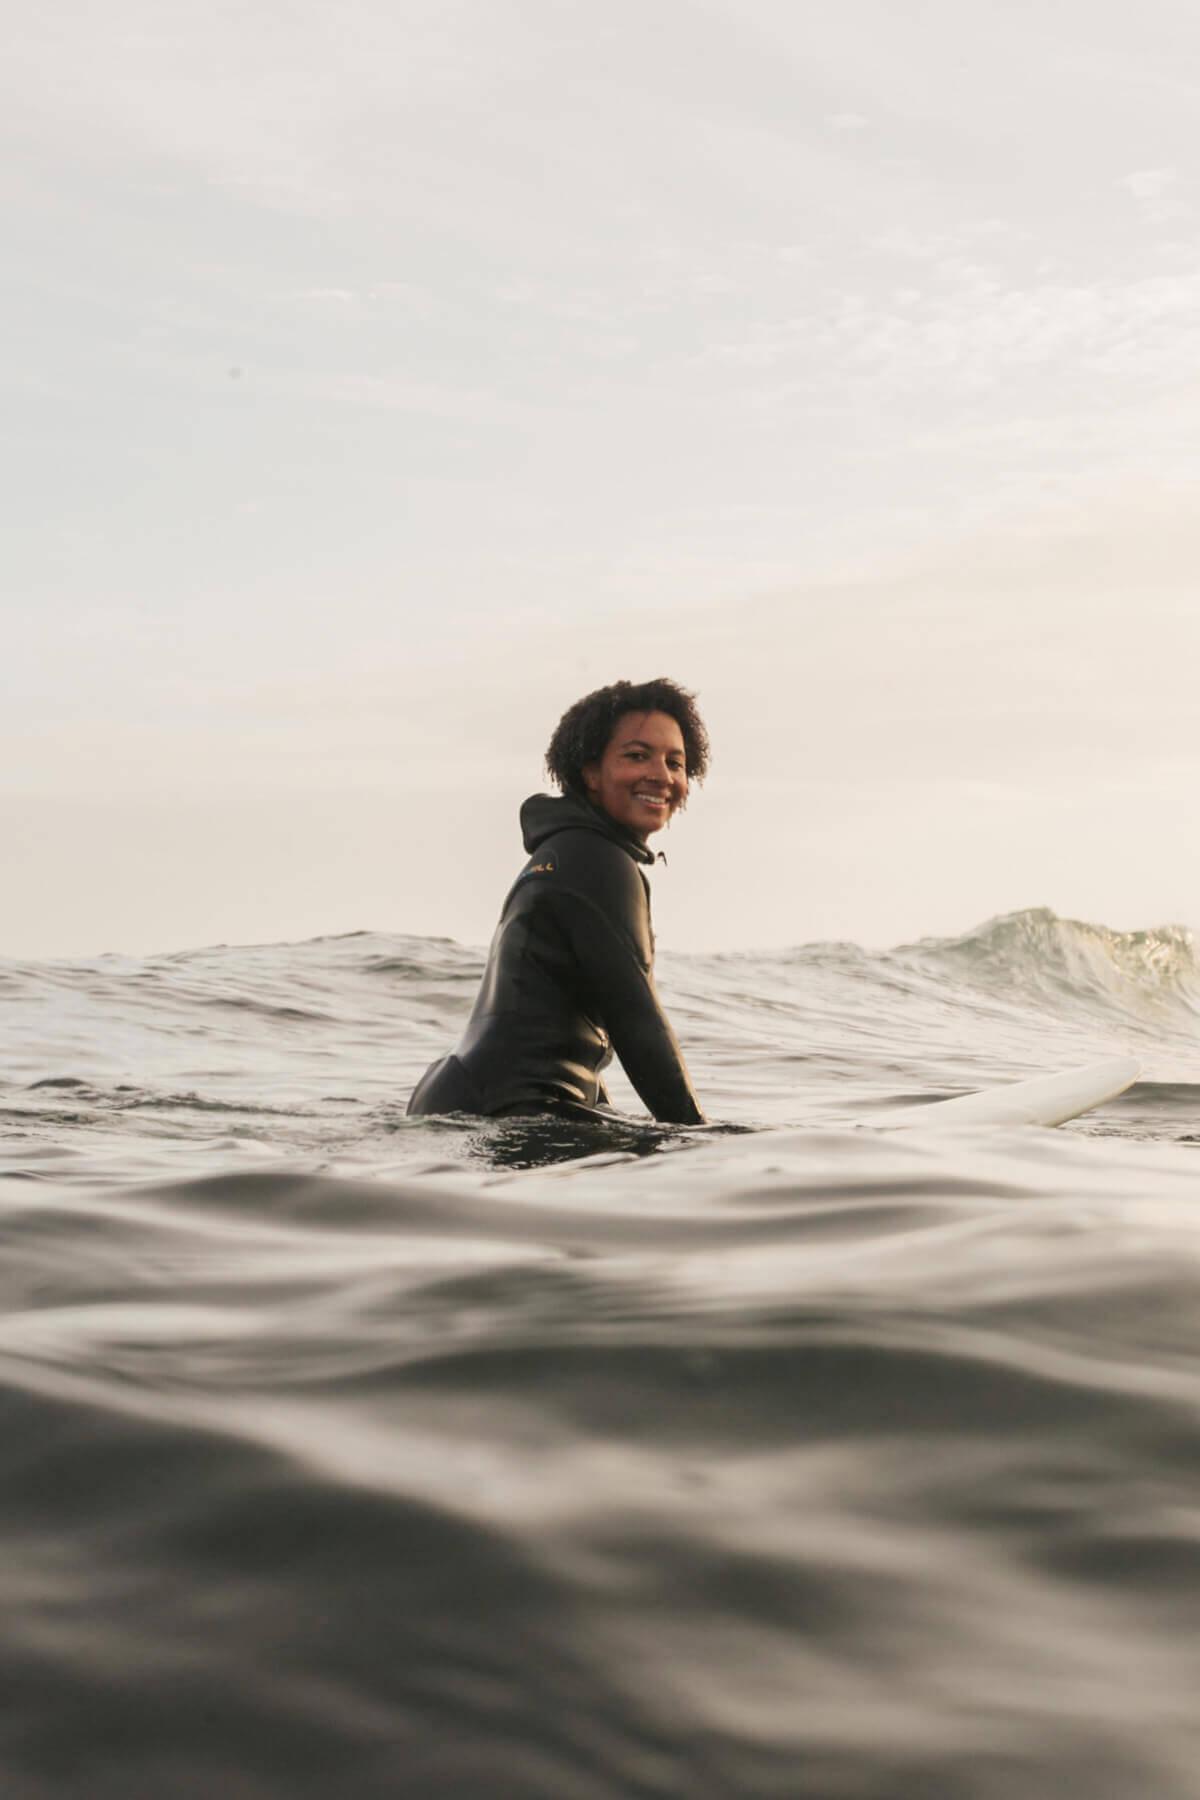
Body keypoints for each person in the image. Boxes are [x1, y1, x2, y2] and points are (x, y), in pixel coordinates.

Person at [407, 677, 708, 1124]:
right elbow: (636, 1020)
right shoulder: (597, 860)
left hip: (468, 1092)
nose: (662, 776)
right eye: (637, 756)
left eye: (675, 763)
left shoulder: (567, 853)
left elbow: (566, 1030)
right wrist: (698, 1137)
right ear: (590, 772)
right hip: (514, 1104)